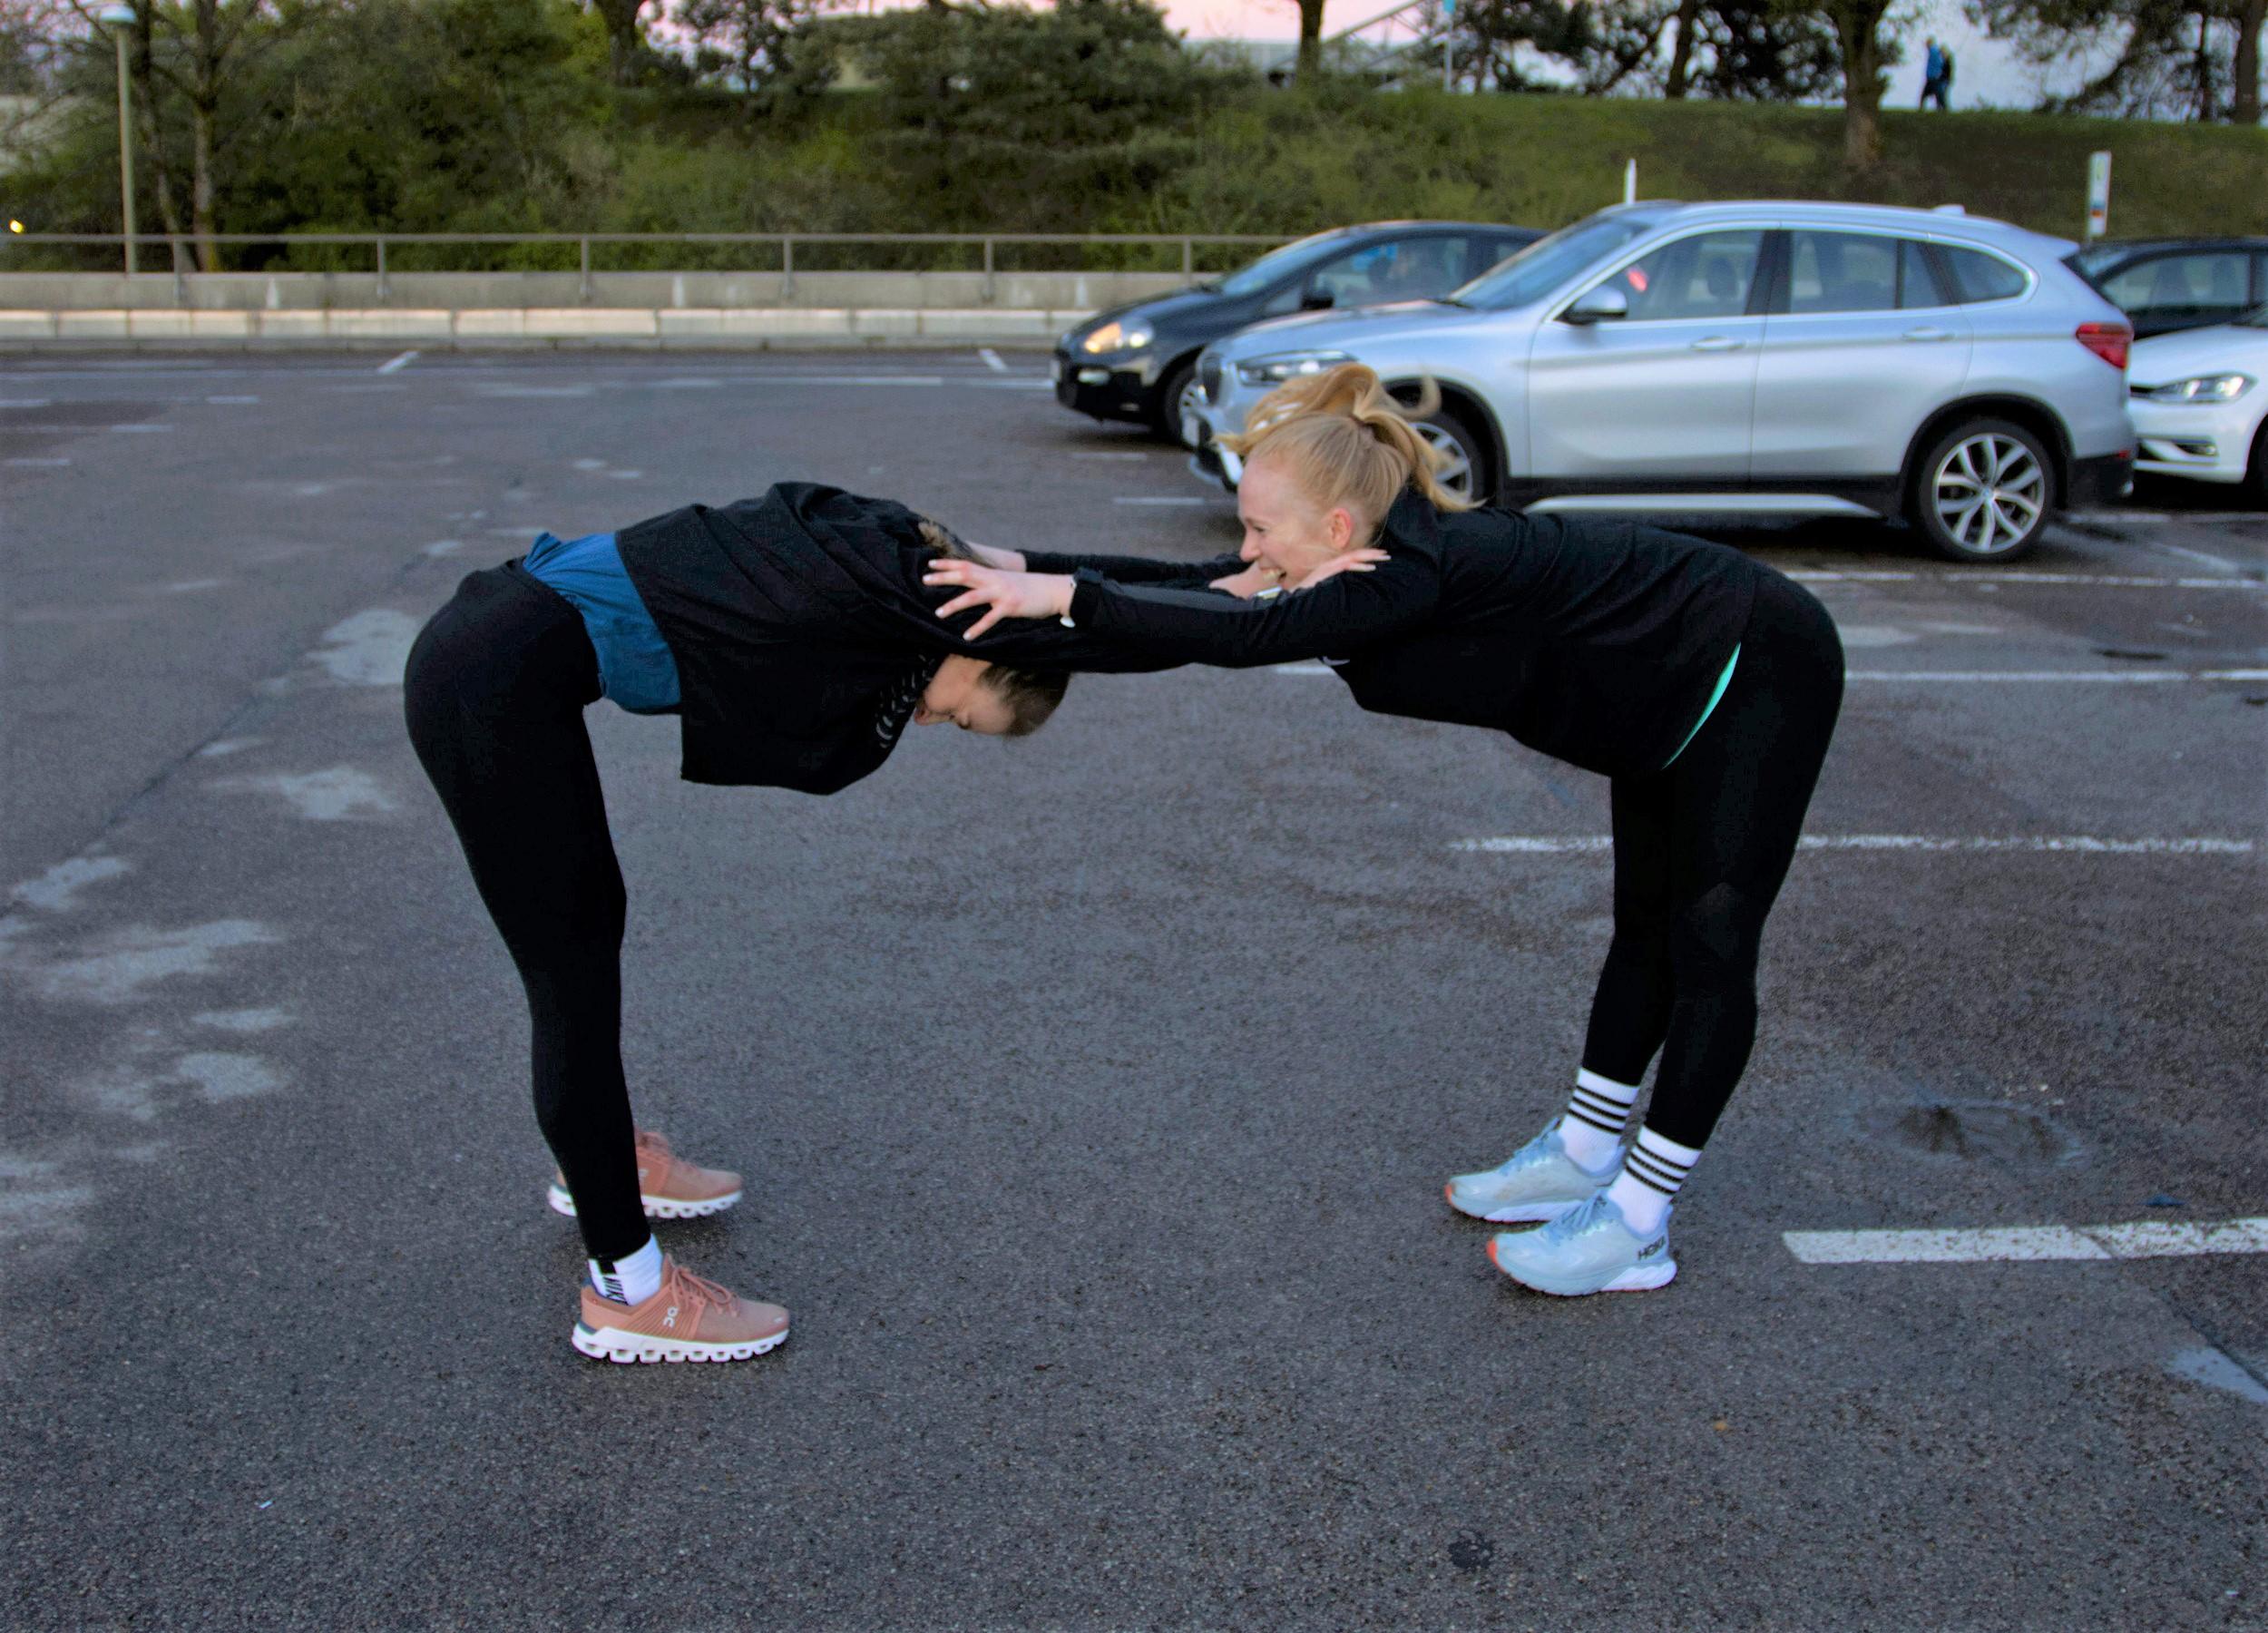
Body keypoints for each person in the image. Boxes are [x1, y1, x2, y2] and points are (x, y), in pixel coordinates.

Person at [924, 366, 1845, 1298]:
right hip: (1658, 695)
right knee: (1646, 922)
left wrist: (1063, 595)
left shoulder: (1398, 579)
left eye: (1257, 529)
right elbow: (1193, 593)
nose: (1244, 547)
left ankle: (1640, 1224)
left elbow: (1228, 636)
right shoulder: (1342, 561)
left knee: (1711, 941)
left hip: (1754, 661)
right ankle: (1581, 1151)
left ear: (1332, 528)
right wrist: (1029, 570)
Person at [404, 483, 1148, 1363]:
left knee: (592, 926)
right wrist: (1258, 597)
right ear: (976, 644)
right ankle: (628, 1293)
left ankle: (601, 1163)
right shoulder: (885, 588)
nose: (929, 716)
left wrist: (1244, 578)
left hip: (500, 658)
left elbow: (1085, 588)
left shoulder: (905, 575)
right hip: (486, 680)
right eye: (957, 709)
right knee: (569, 979)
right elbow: (1107, 608)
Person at [1921, 37, 1953, 110]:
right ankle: (1942, 109)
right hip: (1935, 77)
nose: (1926, 46)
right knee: (1938, 96)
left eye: (1927, 44)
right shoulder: (1935, 51)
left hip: (1934, 77)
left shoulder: (1933, 51)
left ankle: (1943, 109)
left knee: (1935, 95)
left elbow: (1939, 64)